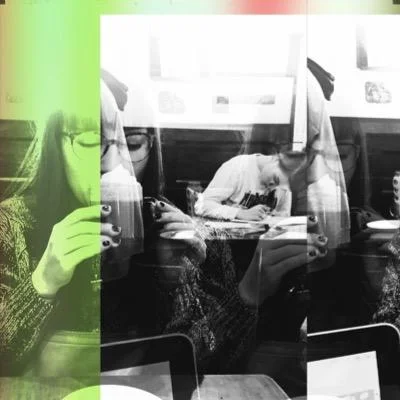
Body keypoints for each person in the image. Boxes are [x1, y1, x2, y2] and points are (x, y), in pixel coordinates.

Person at [194, 153, 292, 221]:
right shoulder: (237, 167)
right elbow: (202, 205)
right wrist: (239, 213)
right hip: (228, 239)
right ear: (275, 160)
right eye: (275, 179)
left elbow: (283, 218)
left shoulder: (285, 180)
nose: (273, 188)